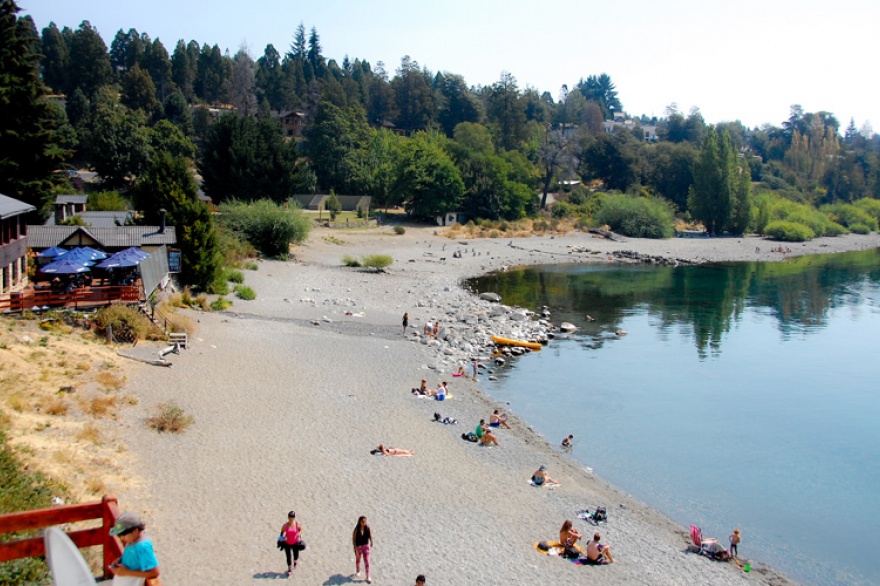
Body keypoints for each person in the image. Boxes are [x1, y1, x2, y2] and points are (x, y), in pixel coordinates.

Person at [108, 512, 160, 582]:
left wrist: (126, 572)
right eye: (119, 535)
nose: (121, 538)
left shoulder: (143, 547)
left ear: (135, 530)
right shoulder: (132, 540)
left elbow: (155, 572)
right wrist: (120, 560)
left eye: (123, 534)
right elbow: (134, 558)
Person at [352, 516, 373, 583]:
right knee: (358, 560)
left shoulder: (367, 528)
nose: (364, 523)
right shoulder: (356, 529)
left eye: (365, 521)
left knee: (367, 561)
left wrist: (371, 541)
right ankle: (358, 571)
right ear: (360, 522)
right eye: (363, 522)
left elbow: (370, 535)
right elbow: (354, 539)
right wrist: (354, 547)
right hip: (358, 547)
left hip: (366, 546)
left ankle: (367, 576)